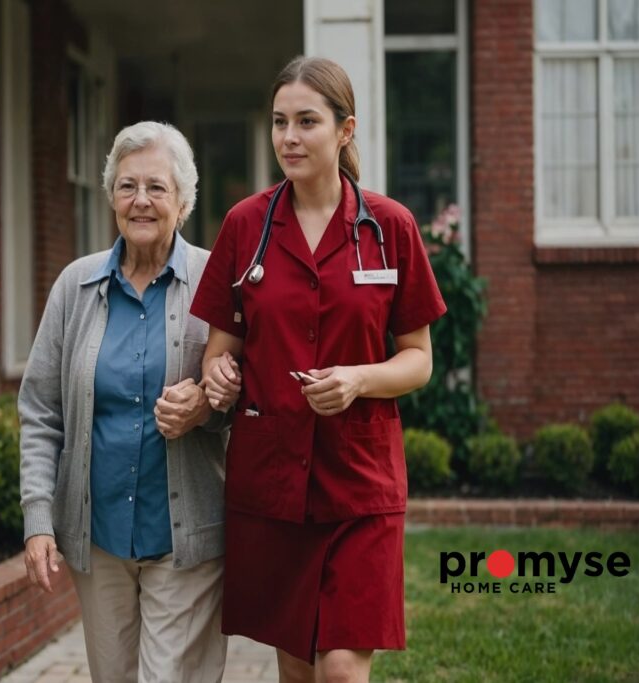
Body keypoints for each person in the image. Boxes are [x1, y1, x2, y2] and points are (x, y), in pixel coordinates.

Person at [190, 57, 447, 683]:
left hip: (359, 483)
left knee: (339, 668)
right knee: (297, 668)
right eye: (280, 122)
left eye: (307, 121)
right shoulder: (245, 226)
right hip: (273, 481)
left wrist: (358, 379)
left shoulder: (390, 228)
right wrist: (218, 375)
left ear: (345, 129)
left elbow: (418, 360)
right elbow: (219, 349)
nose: (289, 138)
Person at [19, 121, 230, 683]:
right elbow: (41, 411)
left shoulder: (217, 280)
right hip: (100, 536)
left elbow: (252, 388)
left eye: (157, 187)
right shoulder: (75, 285)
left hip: (183, 538)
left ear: (183, 201)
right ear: (111, 196)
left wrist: (209, 405)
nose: (141, 201)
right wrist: (38, 519)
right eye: (127, 186)